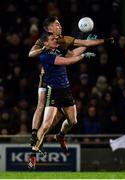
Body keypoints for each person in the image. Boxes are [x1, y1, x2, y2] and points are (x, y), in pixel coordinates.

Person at [29, 15, 114, 154]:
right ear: (49, 28)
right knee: (43, 111)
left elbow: (76, 49)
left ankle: (56, 136)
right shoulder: (43, 44)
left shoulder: (61, 41)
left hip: (64, 86)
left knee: (70, 120)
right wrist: (44, 49)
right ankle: (34, 140)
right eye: (57, 24)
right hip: (47, 82)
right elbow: (31, 54)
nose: (60, 26)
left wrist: (102, 41)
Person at [28, 32, 96, 169]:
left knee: (73, 121)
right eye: (52, 39)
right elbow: (69, 61)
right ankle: (33, 156)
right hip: (53, 91)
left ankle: (60, 136)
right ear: (45, 43)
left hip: (66, 90)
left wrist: (86, 45)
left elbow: (72, 53)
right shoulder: (45, 55)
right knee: (46, 123)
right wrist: (82, 56)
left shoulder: (59, 49)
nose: (55, 40)